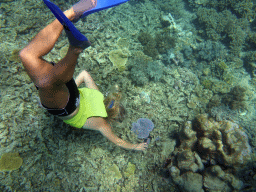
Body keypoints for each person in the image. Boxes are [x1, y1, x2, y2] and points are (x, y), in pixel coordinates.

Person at [19, 0, 148, 151]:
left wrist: (68, 86)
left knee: (29, 56)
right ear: (112, 119)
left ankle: (70, 14)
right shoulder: (102, 123)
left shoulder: (98, 95)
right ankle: (75, 49)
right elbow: (118, 141)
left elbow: (85, 75)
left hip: (71, 89)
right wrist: (136, 146)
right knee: (32, 63)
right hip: (64, 106)